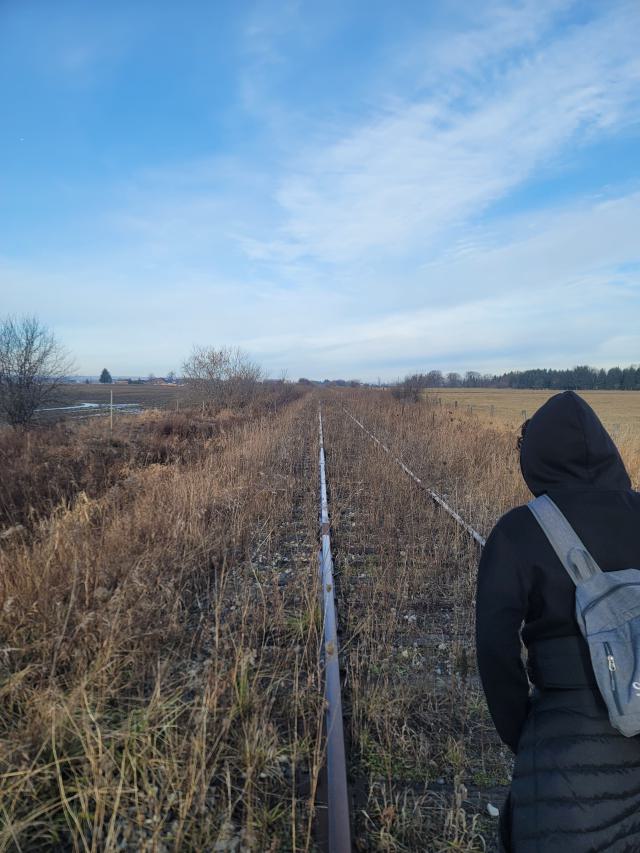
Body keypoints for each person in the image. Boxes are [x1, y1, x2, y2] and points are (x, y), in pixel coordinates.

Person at [476, 390, 640, 853]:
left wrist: (526, 733)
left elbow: (495, 650)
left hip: (567, 754)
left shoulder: (518, 530)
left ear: (537, 457)